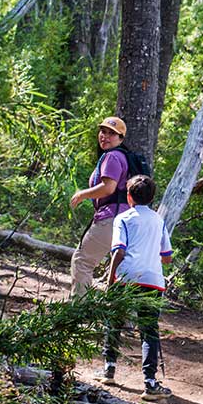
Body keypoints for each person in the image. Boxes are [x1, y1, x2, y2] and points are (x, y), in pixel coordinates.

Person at [102, 174, 173, 402]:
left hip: (126, 276)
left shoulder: (123, 218)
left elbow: (119, 251)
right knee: (148, 330)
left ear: (129, 196)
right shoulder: (158, 220)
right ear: (152, 198)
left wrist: (111, 277)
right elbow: (167, 257)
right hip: (152, 279)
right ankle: (150, 383)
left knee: (115, 320)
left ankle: (109, 369)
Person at [70, 116, 131, 296]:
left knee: (82, 262)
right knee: (122, 271)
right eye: (103, 131)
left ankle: (77, 312)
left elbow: (108, 187)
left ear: (121, 138)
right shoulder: (126, 157)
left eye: (112, 133)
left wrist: (82, 194)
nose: (105, 136)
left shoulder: (112, 156)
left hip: (111, 219)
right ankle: (123, 320)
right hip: (129, 222)